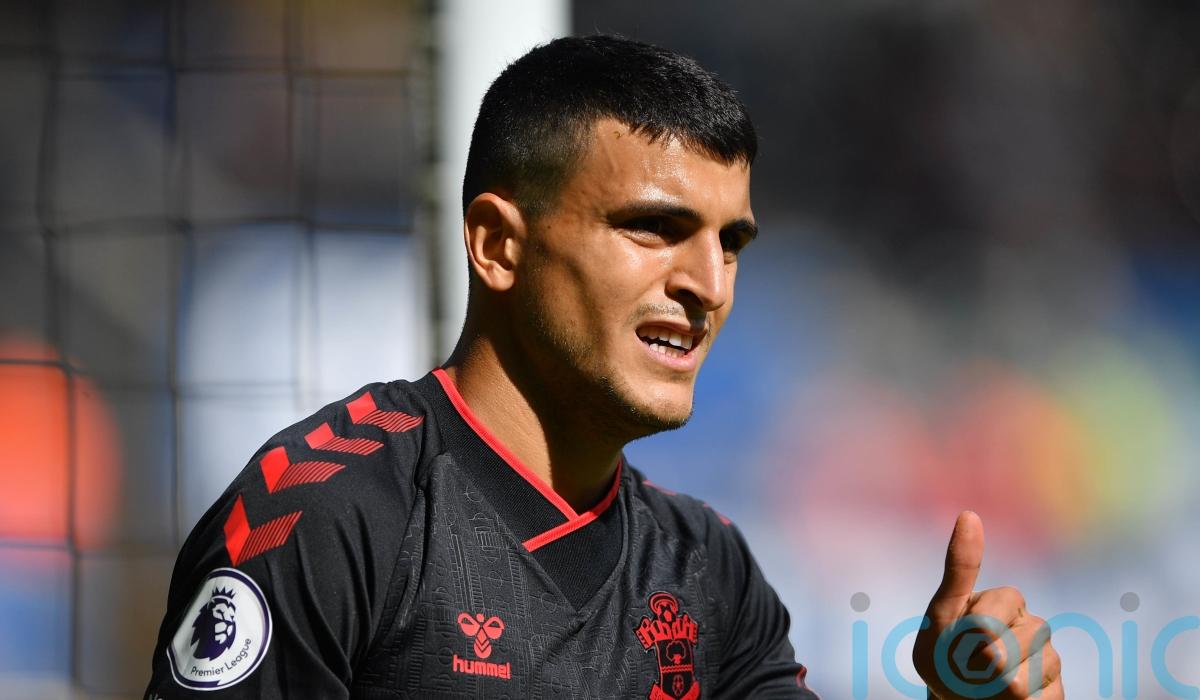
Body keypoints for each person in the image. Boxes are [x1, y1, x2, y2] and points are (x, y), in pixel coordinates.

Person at [145, 35, 1061, 699]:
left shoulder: (708, 570)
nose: (708, 285)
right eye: (654, 228)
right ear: (498, 245)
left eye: (730, 244)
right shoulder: (327, 518)